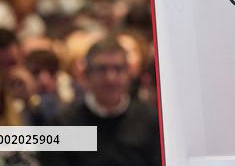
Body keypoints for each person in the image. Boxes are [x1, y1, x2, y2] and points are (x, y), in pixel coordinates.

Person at [46, 36, 160, 166]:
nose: (110, 78)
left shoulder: (148, 120)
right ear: (86, 75)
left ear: (129, 74)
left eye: (118, 69)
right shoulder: (64, 124)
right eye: (102, 69)